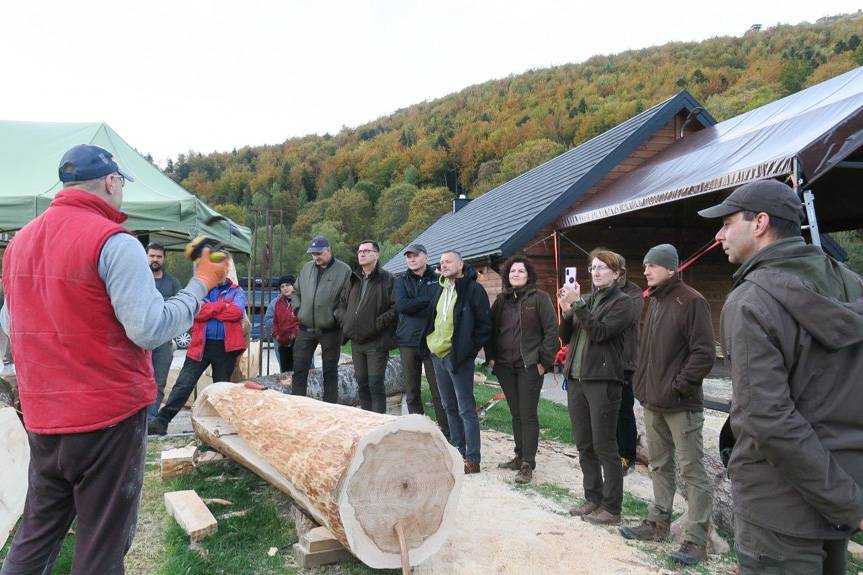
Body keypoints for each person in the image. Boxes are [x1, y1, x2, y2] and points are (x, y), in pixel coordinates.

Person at [0, 144, 227, 574]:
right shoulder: (113, 241)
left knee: (35, 538)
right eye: (121, 185)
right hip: (107, 418)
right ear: (111, 182)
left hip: (46, 417)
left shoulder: (18, 245)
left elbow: (11, 329)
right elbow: (150, 328)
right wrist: (201, 283)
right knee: (101, 546)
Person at [699, 179, 863, 574]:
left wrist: (848, 503)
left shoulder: (750, 302)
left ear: (760, 223)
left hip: (779, 510)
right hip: (840, 494)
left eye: (726, 222)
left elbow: (768, 420)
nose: (719, 234)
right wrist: (848, 500)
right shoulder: (852, 284)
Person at [619, 243, 715, 566]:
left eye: (652, 266)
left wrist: (678, 387)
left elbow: (704, 353)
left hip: (681, 404)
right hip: (652, 401)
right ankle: (658, 522)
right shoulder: (655, 301)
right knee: (659, 464)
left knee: (692, 470)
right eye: (645, 265)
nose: (645, 271)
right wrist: (642, 387)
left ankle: (696, 539)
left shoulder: (692, 301)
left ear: (671, 268)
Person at [559, 249, 636, 525]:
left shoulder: (623, 302)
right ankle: (593, 497)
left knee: (605, 445)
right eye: (593, 268)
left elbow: (601, 333)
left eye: (603, 267)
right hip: (577, 379)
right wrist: (567, 311)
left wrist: (578, 305)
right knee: (584, 443)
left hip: (604, 380)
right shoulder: (588, 299)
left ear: (617, 273)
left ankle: (612, 508)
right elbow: (567, 336)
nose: (596, 272)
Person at [149, 252, 246, 435]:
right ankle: (161, 421)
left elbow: (236, 313)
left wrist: (210, 308)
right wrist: (221, 306)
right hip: (201, 345)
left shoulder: (237, 291)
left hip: (226, 348)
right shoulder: (200, 290)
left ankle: (221, 428)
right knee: (183, 385)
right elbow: (197, 312)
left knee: (221, 389)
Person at [486, 256, 558, 484]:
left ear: (528, 275)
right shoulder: (501, 301)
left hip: (529, 366)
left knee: (527, 414)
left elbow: (551, 332)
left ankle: (528, 463)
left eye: (521, 271)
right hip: (505, 366)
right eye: (512, 271)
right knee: (515, 413)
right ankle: (518, 456)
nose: (516, 274)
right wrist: (491, 357)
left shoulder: (540, 299)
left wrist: (543, 362)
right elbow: (491, 330)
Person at [424, 250, 492, 474]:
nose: (444, 265)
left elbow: (484, 327)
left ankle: (472, 458)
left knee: (465, 408)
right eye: (441, 262)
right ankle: (457, 451)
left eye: (448, 261)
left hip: (458, 357)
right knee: (448, 406)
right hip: (438, 355)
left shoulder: (473, 289)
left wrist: (467, 352)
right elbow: (433, 318)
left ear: (461, 264)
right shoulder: (439, 287)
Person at [394, 244, 449, 438]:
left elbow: (440, 306)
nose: (411, 259)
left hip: (432, 340)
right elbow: (402, 306)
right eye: (408, 256)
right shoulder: (401, 281)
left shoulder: (438, 280)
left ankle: (446, 433)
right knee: (412, 390)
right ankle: (419, 431)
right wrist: (426, 300)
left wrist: (416, 302)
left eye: (415, 256)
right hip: (408, 341)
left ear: (426, 257)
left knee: (439, 390)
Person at [339, 240, 397, 412]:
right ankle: (366, 421)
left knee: (375, 384)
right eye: (359, 251)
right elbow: (340, 306)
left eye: (366, 251)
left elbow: (396, 308)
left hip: (377, 342)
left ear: (377, 255)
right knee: (362, 384)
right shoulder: (353, 279)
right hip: (356, 342)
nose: (362, 254)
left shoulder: (388, 279)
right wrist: (347, 321)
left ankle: (379, 424)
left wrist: (376, 324)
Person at [291, 236, 352, 403]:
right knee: (299, 370)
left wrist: (335, 316)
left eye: (319, 253)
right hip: (305, 329)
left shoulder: (344, 270)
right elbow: (295, 292)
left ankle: (329, 407)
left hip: (330, 330)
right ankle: (297, 406)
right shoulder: (306, 268)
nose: (316, 257)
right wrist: (298, 310)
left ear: (329, 250)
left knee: (330, 371)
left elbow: (346, 300)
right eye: (313, 254)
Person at [613, 253, 644, 475]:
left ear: (621, 272)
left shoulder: (633, 293)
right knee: (608, 409)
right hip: (605, 361)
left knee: (624, 410)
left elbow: (617, 319)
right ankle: (612, 451)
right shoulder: (601, 290)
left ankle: (627, 456)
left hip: (625, 361)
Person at [146, 241, 182, 424]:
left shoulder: (173, 283)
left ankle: (151, 419)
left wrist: (174, 337)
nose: (155, 259)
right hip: (139, 341)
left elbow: (180, 311)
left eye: (159, 256)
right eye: (152, 255)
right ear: (146, 257)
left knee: (159, 381)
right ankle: (135, 421)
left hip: (163, 341)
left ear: (164, 258)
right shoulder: (138, 281)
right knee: (137, 381)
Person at [269, 275, 299, 373]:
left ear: (294, 286)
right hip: (283, 343)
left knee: (300, 372)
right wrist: (276, 334)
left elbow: (304, 319)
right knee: (286, 374)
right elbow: (275, 321)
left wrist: (295, 333)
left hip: (299, 342)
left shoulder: (302, 300)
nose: (285, 288)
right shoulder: (278, 303)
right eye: (282, 286)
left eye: (288, 285)